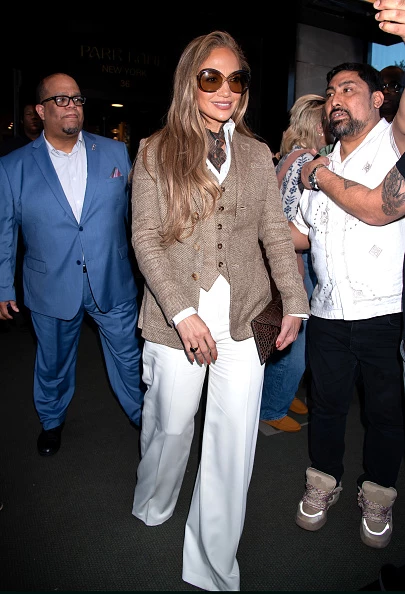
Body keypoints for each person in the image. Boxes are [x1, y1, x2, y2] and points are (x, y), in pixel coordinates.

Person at [129, 30, 310, 591]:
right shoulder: (155, 149)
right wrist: (183, 313)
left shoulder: (256, 153)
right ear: (191, 81)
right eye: (211, 77)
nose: (225, 89)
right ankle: (154, 500)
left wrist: (294, 301)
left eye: (237, 78)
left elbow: (274, 232)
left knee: (233, 440)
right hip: (177, 313)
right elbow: (145, 239)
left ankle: (212, 565)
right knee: (172, 424)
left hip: (243, 313)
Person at [288, 58, 405, 550]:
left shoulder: (394, 143)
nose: (335, 98)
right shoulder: (320, 162)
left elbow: (380, 208)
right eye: (331, 91)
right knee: (327, 407)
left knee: (385, 413)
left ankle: (378, 494)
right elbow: (303, 235)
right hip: (328, 313)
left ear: (378, 99)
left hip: (385, 312)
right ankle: (323, 482)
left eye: (349, 89)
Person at [0, 73, 145, 457]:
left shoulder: (115, 153)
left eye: (77, 99)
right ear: (40, 110)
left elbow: (139, 216)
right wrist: (2, 286)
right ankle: (51, 421)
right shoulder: (13, 167)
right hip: (50, 285)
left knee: (130, 357)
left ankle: (144, 417)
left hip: (111, 278)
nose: (72, 106)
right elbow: (4, 232)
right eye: (61, 99)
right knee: (53, 363)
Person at [260, 94, 327, 433]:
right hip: (294, 261)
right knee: (294, 341)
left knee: (288, 337)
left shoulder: (290, 156)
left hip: (289, 258)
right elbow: (288, 220)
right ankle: (272, 408)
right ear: (318, 126)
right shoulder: (307, 161)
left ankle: (280, 397)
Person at [0, 102, 44, 332]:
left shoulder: (51, 148)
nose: (33, 118)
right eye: (28, 114)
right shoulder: (11, 151)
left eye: (35, 114)